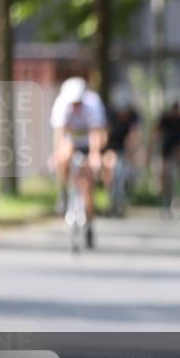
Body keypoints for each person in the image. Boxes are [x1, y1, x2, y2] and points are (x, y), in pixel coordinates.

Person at [50, 77, 107, 247]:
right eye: (72, 103)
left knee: (87, 186)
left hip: (87, 143)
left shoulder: (93, 104)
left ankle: (89, 224)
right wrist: (58, 154)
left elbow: (96, 134)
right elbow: (59, 136)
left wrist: (95, 155)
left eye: (78, 103)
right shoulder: (61, 105)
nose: (75, 107)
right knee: (63, 157)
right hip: (70, 142)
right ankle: (63, 193)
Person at [102, 89, 141, 212]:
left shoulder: (133, 115)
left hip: (126, 145)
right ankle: (110, 196)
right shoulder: (110, 114)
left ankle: (127, 190)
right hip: (112, 144)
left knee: (130, 167)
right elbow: (105, 133)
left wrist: (132, 151)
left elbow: (134, 134)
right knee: (108, 166)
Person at [151, 101, 180, 211]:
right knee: (164, 175)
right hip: (165, 152)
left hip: (178, 153)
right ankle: (164, 199)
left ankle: (177, 201)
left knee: (177, 178)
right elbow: (156, 132)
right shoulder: (165, 120)